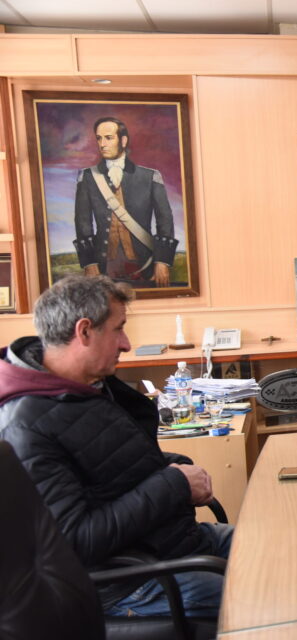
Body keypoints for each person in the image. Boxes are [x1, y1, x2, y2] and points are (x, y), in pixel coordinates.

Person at [0, 275, 232, 616]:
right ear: (84, 331)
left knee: (284, 552)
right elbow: (76, 541)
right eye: (118, 329)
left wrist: (176, 466)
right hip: (129, 581)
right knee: (264, 593)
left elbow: (113, 464)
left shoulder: (86, 386)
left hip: (171, 542)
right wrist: (176, 483)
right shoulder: (26, 426)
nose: (126, 343)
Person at [74, 116, 178, 287]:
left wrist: (162, 262)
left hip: (145, 260)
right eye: (99, 138)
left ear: (123, 140)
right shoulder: (87, 177)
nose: (102, 144)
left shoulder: (150, 176)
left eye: (108, 138)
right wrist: (89, 263)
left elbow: (164, 220)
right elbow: (83, 222)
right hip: (103, 264)